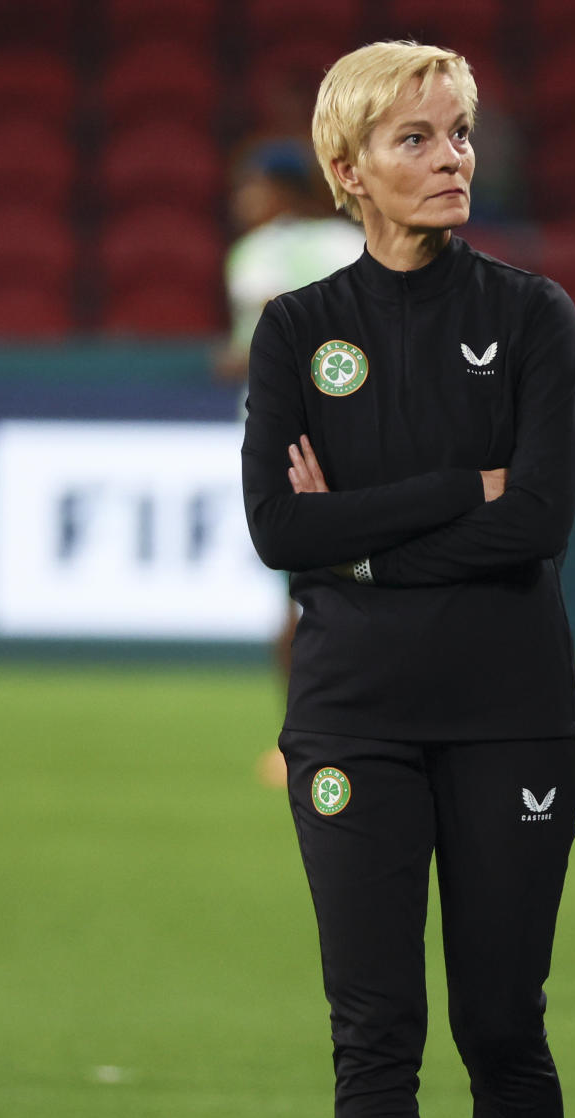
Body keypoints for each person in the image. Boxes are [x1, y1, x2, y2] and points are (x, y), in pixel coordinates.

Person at [241, 40, 575, 1118]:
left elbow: (540, 522)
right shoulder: (294, 331)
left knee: (499, 1023)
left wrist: (364, 539)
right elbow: (282, 532)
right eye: (418, 140)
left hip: (510, 718)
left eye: (460, 135)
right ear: (349, 172)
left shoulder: (535, 314)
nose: (453, 159)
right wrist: (460, 488)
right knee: (371, 1028)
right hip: (351, 722)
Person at [215, 138, 362, 783]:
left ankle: (297, 739)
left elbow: (250, 354)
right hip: (360, 437)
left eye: (251, 187)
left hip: (287, 445)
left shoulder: (254, 256)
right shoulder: (352, 246)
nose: (242, 200)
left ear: (280, 192)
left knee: (299, 600)